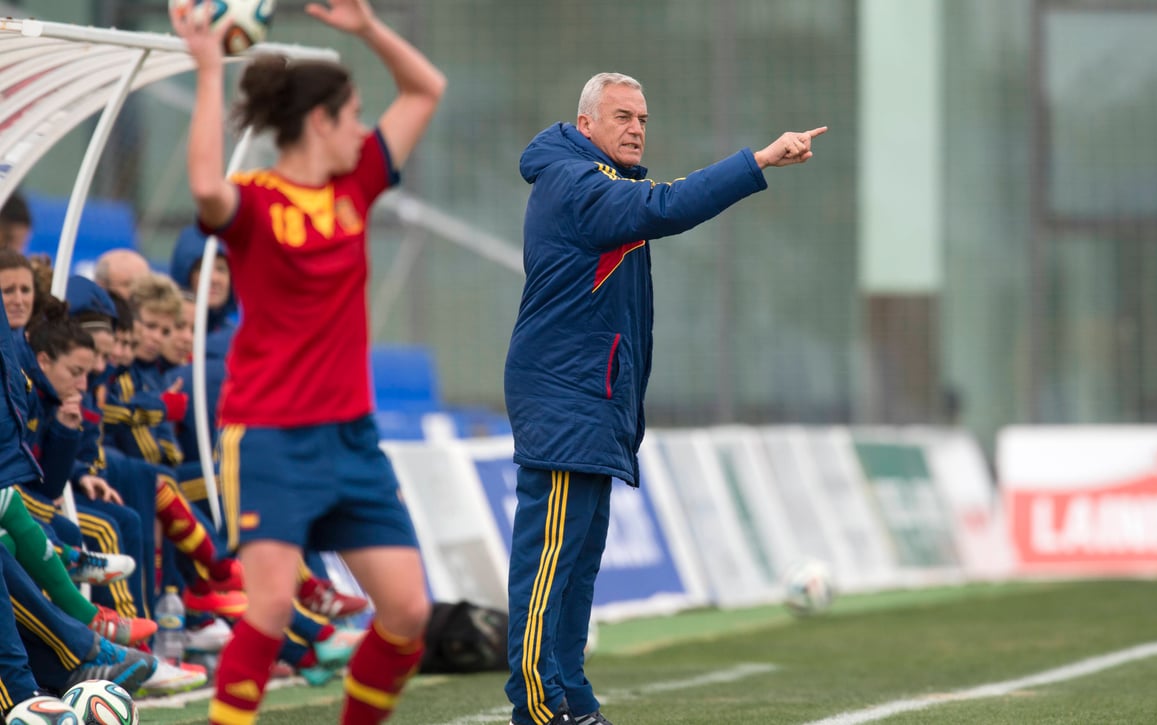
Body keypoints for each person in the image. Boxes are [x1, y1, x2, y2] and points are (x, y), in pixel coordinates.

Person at [503, 72, 825, 725]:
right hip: (565, 396)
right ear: (586, 124)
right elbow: (667, 207)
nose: (636, 129)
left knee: (578, 564)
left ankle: (572, 697)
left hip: (590, 397)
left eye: (643, 118)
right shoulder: (575, 184)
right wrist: (759, 160)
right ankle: (536, 706)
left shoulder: (599, 181)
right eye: (622, 116)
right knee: (549, 565)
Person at [170, 0, 447, 722]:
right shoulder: (256, 202)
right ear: (320, 121)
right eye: (353, 115)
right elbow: (204, 188)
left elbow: (426, 89)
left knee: (408, 611)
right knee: (267, 610)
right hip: (270, 438)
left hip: (351, 440)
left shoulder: (356, 185)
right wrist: (208, 71)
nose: (363, 129)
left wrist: (367, 29)